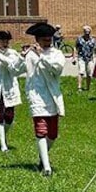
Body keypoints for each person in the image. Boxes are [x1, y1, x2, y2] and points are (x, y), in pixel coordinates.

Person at [23, 23, 66, 176]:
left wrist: (42, 56)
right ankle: (46, 168)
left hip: (52, 95)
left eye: (49, 40)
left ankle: (43, 157)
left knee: (52, 134)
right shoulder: (30, 54)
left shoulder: (57, 54)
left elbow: (57, 69)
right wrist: (21, 56)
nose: (47, 43)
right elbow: (19, 69)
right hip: (36, 95)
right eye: (44, 40)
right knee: (41, 130)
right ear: (37, 40)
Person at [72, 25, 96, 92]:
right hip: (81, 57)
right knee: (81, 72)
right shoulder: (79, 39)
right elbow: (75, 48)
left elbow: (95, 49)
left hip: (90, 58)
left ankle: (88, 87)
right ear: (84, 32)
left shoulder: (93, 40)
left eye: (88, 32)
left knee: (89, 73)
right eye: (86, 32)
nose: (87, 33)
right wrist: (74, 57)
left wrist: (95, 57)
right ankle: (79, 87)